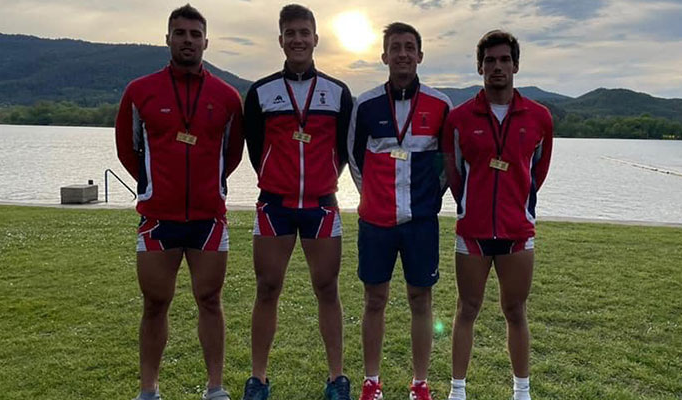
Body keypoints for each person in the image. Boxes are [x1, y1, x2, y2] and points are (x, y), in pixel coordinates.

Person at [115, 4, 244, 400]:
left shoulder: (227, 96)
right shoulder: (140, 92)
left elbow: (232, 154)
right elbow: (127, 150)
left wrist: (209, 186)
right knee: (155, 303)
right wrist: (155, 185)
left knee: (210, 300)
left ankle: (215, 388)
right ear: (167, 38)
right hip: (158, 218)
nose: (188, 40)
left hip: (209, 219)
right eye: (180, 33)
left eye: (195, 34)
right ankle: (149, 390)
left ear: (206, 41)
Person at [241, 4, 353, 400]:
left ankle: (337, 378)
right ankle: (258, 379)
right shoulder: (261, 92)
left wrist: (323, 178)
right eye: (290, 33)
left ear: (316, 38)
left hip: (321, 205)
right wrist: (278, 177)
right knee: (267, 288)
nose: (298, 39)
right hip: (275, 205)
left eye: (304, 32)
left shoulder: (338, 93)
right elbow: (256, 149)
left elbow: (344, 149)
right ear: (281, 40)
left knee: (327, 288)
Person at [441, 30, 553, 400]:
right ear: (480, 67)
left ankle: (522, 391)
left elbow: (537, 172)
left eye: (505, 59)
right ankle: (458, 391)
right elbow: (454, 173)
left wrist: (519, 203)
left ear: (516, 65)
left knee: (516, 310)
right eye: (490, 61)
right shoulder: (459, 118)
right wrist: (469, 204)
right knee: (467, 308)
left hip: (517, 231)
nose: (497, 67)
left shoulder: (539, 117)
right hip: (472, 232)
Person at [348, 22, 452, 400]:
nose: (403, 54)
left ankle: (420, 383)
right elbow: (354, 158)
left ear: (420, 55)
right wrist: (374, 196)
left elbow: (447, 162)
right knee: (374, 300)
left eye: (409, 47)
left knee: (421, 300)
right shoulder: (366, 104)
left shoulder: (441, 105)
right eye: (396, 47)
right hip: (376, 221)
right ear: (384, 56)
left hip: (421, 222)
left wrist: (430, 197)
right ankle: (371, 381)